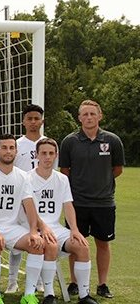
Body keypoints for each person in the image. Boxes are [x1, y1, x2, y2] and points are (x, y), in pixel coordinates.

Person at [59, 99, 124, 299]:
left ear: (100, 116)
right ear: (79, 118)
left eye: (92, 114)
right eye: (85, 114)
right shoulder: (70, 141)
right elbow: (65, 171)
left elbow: (117, 169)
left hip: (104, 203)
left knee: (103, 243)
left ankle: (102, 284)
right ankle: (74, 282)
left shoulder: (112, 140)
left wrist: (100, 182)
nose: (88, 117)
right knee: (76, 243)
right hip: (77, 203)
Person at [0, 134, 45, 304]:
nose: (8, 151)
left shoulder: (22, 175)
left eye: (11, 148)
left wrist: (34, 231)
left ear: (16, 151)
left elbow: (29, 205)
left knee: (37, 244)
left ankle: (29, 295)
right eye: (4, 148)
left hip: (12, 227)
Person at [29, 138, 97, 304]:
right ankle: (49, 295)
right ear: (36, 155)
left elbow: (68, 206)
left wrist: (74, 229)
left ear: (56, 155)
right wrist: (42, 227)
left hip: (55, 227)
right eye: (43, 153)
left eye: (51, 153)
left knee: (82, 246)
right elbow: (27, 208)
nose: (47, 157)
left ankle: (84, 295)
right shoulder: (27, 178)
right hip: (33, 226)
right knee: (50, 245)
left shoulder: (62, 179)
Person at [4, 104, 48, 293]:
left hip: (43, 198)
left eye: (36, 118)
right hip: (21, 198)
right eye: (29, 118)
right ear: (23, 121)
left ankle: (38, 280)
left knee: (38, 237)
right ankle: (12, 281)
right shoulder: (17, 144)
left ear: (42, 121)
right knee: (18, 242)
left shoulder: (49, 143)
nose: (32, 122)